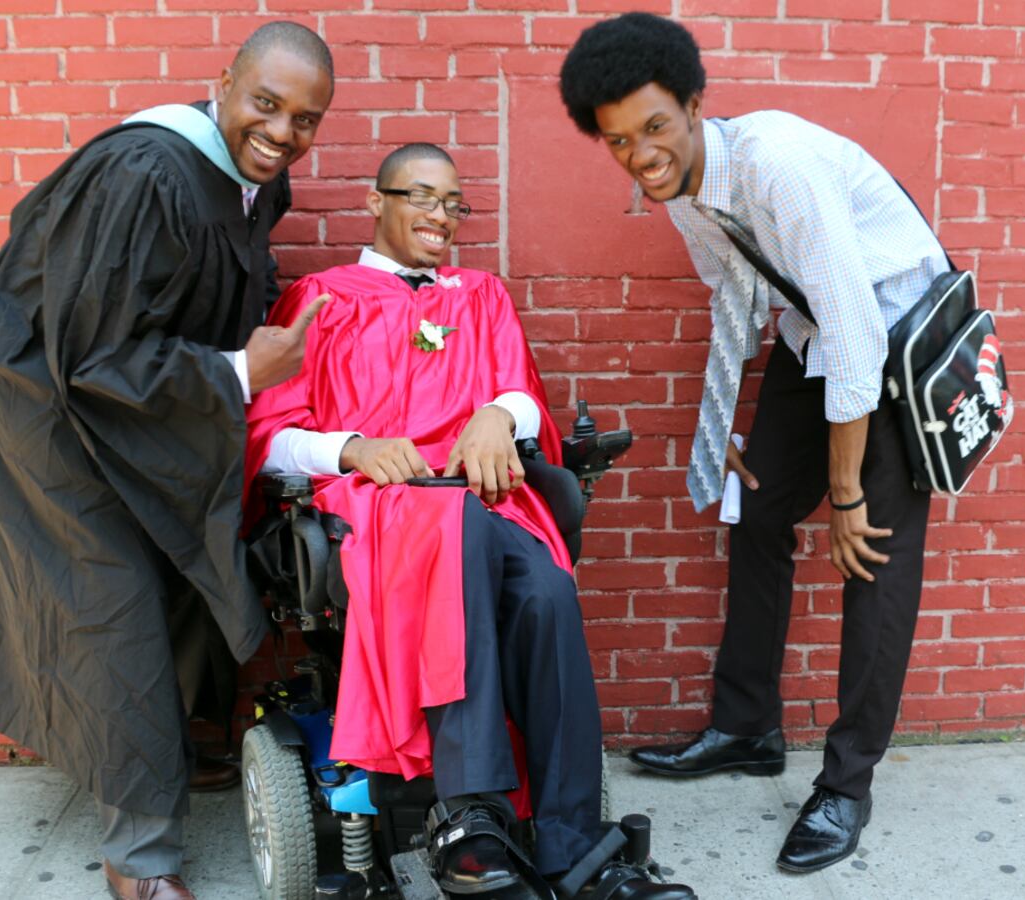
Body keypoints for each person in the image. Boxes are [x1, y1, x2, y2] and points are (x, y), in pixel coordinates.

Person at [0, 23, 334, 900]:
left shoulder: (246, 177)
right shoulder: (147, 171)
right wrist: (240, 370)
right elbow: (90, 352)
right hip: (59, 412)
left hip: (147, 398)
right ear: (224, 83)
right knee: (112, 603)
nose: (281, 131)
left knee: (196, 553)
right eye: (266, 103)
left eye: (306, 118)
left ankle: (178, 746)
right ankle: (140, 860)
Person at [246, 143, 696, 900]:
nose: (439, 216)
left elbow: (523, 394)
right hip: (381, 507)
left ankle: (577, 849)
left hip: (483, 499)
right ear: (376, 200)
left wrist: (497, 411)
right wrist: (350, 446)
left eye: (453, 203)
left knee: (548, 594)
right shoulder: (323, 298)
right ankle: (470, 819)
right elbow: (268, 436)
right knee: (460, 530)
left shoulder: (479, 296)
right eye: (421, 196)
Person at [559, 13, 951, 876]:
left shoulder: (779, 164)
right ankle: (747, 727)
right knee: (758, 509)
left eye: (655, 127)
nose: (641, 154)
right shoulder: (684, 188)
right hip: (817, 333)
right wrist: (725, 430)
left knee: (872, 557)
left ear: (695, 105)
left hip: (893, 336)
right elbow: (733, 300)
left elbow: (856, 332)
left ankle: (847, 784)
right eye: (618, 141)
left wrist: (845, 494)